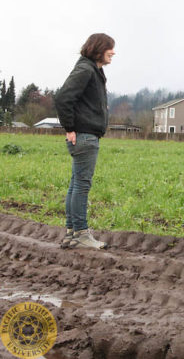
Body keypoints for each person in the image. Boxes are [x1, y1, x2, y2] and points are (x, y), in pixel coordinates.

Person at [55, 33, 116, 250]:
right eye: (110, 47)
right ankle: (81, 233)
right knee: (81, 185)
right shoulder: (85, 69)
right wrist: (70, 127)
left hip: (85, 136)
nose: (113, 52)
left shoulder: (92, 70)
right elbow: (63, 98)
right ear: (99, 48)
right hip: (84, 136)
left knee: (75, 184)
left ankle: (72, 233)